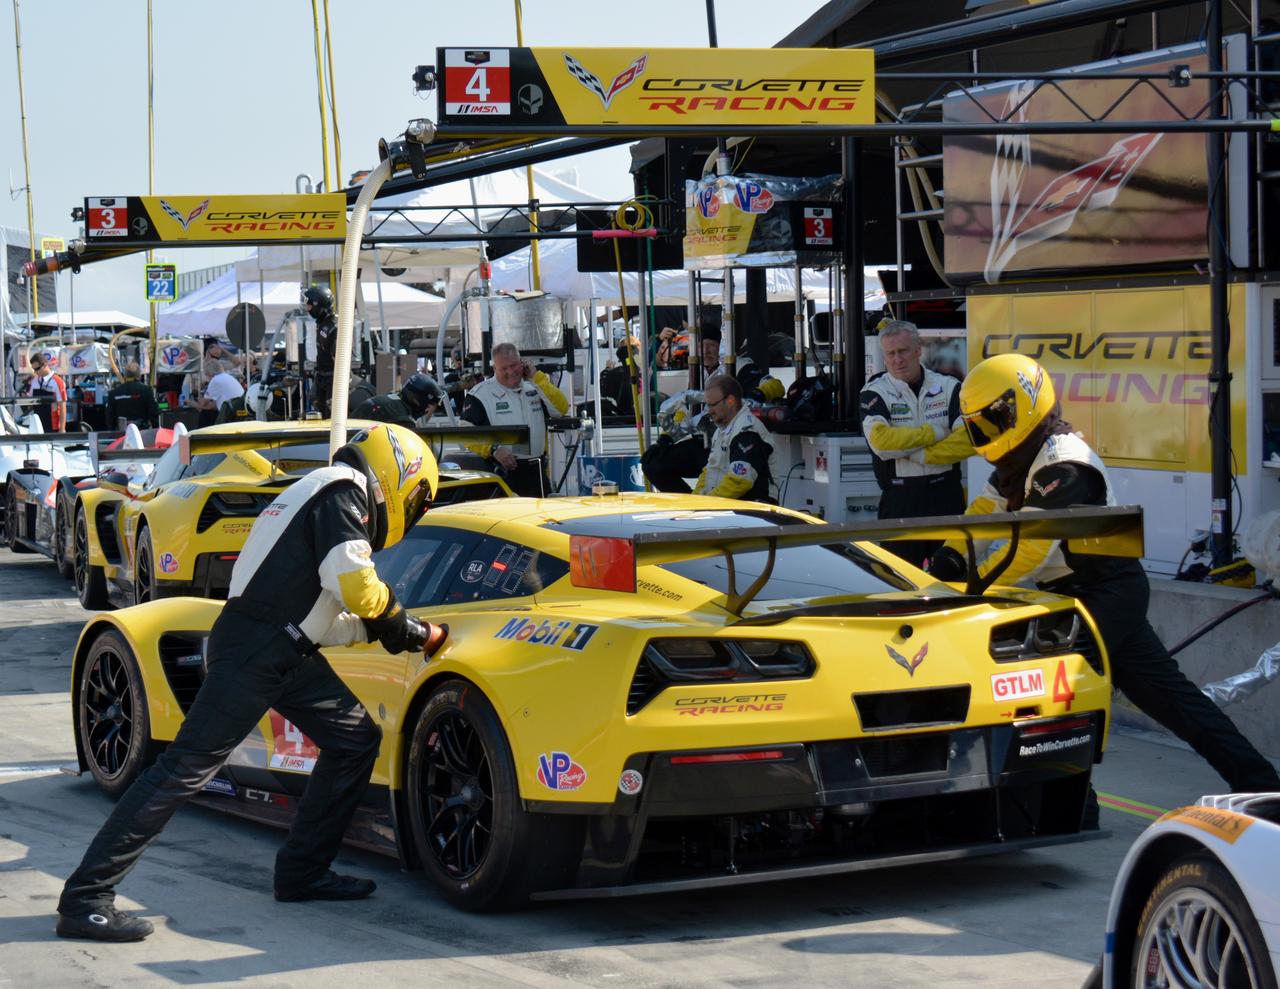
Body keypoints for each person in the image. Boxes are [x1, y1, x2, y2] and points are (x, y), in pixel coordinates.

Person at [55, 423, 449, 942]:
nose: (412, 510)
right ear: (399, 474)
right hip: (258, 651)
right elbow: (357, 586)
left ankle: (303, 871)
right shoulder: (342, 489)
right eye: (417, 498)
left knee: (355, 739)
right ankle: (86, 897)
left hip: (277, 647)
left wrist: (381, 629)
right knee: (181, 771)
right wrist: (411, 630)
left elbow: (326, 617)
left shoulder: (319, 493)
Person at [928, 353, 1280, 814]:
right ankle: (1263, 784)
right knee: (1179, 707)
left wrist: (967, 592)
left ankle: (1066, 805)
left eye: (994, 419)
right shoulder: (1024, 454)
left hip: (1105, 593)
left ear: (1025, 405)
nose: (987, 433)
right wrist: (948, 557)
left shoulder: (1066, 462)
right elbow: (984, 512)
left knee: (1044, 698)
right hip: (1085, 594)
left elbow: (1031, 551)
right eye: (979, 424)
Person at [859, 319, 973, 568]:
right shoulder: (874, 392)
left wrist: (922, 456)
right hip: (901, 499)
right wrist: (935, 432)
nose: (897, 359)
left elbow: (968, 441)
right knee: (900, 580)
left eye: (903, 351)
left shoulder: (948, 386)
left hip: (946, 495)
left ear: (918, 349)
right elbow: (882, 444)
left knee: (954, 572)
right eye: (890, 354)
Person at [460, 342, 568, 497]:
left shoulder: (536, 385)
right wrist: (493, 450)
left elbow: (560, 409)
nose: (511, 371)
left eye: (514, 365)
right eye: (504, 368)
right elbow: (465, 433)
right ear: (494, 368)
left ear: (522, 363)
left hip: (537, 471)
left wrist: (536, 377)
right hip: (502, 473)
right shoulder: (479, 394)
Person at [641, 325, 723, 493]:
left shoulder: (733, 369)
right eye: (703, 346)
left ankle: (699, 505)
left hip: (725, 445)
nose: (706, 350)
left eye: (712, 346)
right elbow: (684, 411)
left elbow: (769, 384)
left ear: (721, 348)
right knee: (653, 463)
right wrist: (666, 438)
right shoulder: (697, 373)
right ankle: (687, 504)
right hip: (701, 443)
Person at [692, 374, 773, 502]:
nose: (709, 410)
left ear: (730, 401)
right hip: (729, 509)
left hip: (754, 512)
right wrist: (694, 500)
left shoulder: (747, 430)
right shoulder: (722, 430)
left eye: (713, 405)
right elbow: (709, 471)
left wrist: (707, 502)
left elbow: (739, 481)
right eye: (707, 405)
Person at [353, 373, 443, 428]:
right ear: (418, 400)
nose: (428, 409)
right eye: (431, 404)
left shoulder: (392, 399)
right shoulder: (402, 419)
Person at [305, 285, 337, 417]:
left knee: (332, 414)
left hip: (333, 378)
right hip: (322, 376)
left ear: (319, 304)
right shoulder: (321, 323)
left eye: (310, 304)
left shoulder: (334, 326)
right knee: (318, 409)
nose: (308, 308)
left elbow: (339, 358)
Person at [106, 362, 160, 430]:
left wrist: (112, 432)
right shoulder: (146, 390)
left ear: (125, 375)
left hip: (122, 433)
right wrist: (156, 429)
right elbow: (154, 412)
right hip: (142, 432)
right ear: (139, 375)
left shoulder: (114, 393)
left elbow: (110, 416)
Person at [26, 351, 67, 432]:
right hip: (37, 425)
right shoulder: (35, 380)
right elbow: (29, 401)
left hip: (52, 425)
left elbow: (62, 406)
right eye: (34, 369)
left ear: (45, 365)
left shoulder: (58, 381)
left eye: (37, 369)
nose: (35, 372)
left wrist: (62, 429)